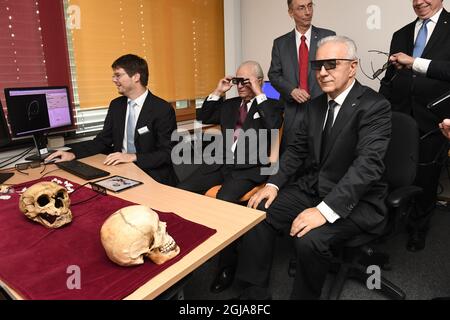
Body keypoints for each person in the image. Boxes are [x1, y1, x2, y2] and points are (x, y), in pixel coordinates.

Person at [233, 35, 392, 300]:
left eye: (332, 64)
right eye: (318, 65)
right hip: (314, 187)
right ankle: (253, 294)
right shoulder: (315, 106)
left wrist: (325, 211)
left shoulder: (375, 106)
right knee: (259, 211)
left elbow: (367, 167)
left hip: (356, 199)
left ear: (353, 67)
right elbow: (296, 151)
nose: (323, 72)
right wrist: (272, 185)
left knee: (310, 238)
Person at [177, 61, 283, 294]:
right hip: (220, 163)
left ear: (258, 81)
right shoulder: (231, 104)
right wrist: (218, 91)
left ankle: (227, 264)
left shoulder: (272, 105)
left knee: (224, 203)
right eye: (237, 80)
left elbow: (274, 125)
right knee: (182, 189)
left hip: (249, 168)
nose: (239, 85)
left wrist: (258, 93)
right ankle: (185, 250)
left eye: (246, 80)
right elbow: (203, 115)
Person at [379, 0, 450, 252]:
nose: (420, 2)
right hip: (399, 117)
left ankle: (419, 229)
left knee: (426, 178)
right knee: (392, 171)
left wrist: (414, 62)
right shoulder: (401, 33)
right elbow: (390, 77)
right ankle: (390, 222)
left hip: (434, 120)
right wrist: (379, 108)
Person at [46, 54, 178, 186]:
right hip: (121, 171)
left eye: (118, 75)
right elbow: (103, 141)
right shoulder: (116, 105)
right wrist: (72, 154)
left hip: (153, 175)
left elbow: (167, 153)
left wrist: (133, 157)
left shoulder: (162, 109)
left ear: (136, 77)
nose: (114, 80)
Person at [268, 0, 335, 153]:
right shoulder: (280, 43)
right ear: (291, 13)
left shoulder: (328, 37)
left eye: (310, 6)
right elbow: (273, 74)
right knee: (291, 159)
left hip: (321, 107)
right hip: (293, 111)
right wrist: (291, 90)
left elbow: (333, 69)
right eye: (301, 8)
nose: (308, 12)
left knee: (322, 156)